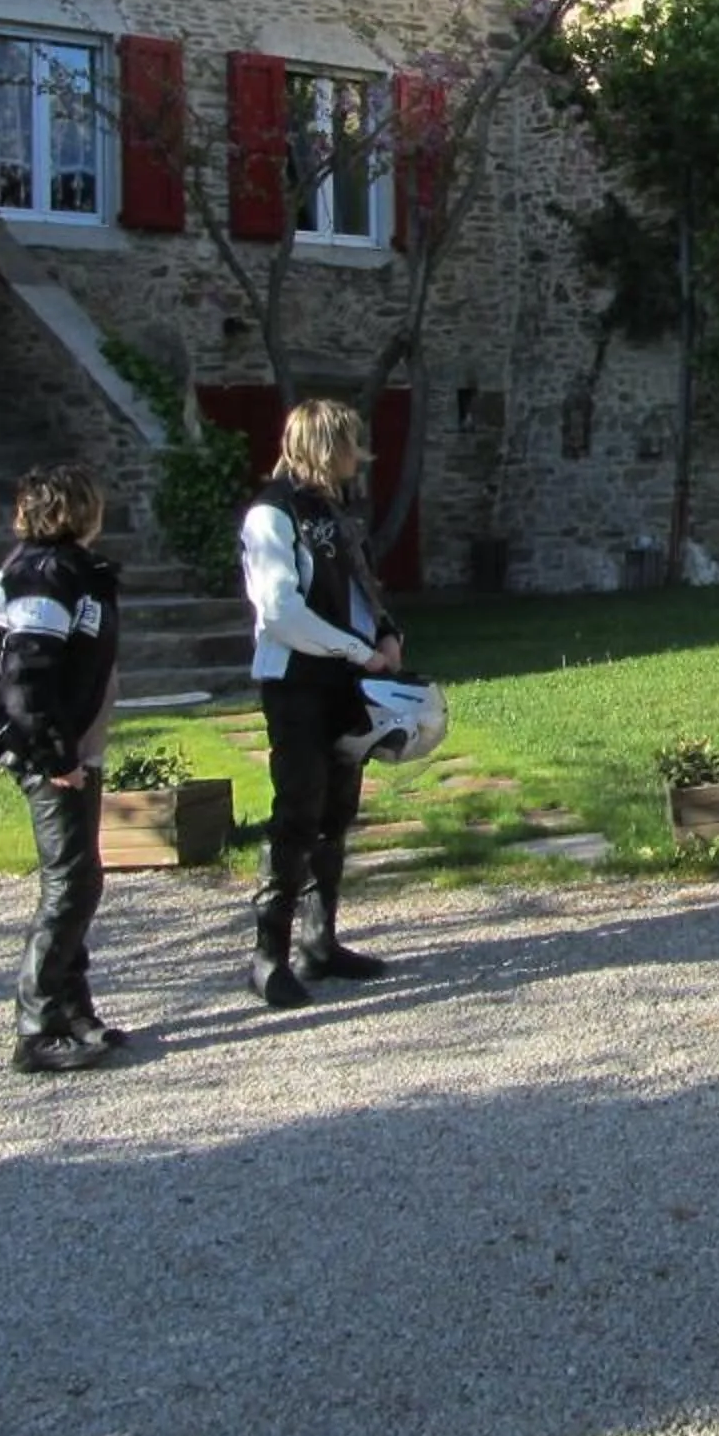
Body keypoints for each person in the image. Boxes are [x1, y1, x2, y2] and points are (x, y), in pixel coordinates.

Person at [239, 397, 403, 1007]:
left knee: (337, 809)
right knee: (297, 811)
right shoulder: (271, 514)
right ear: (326, 447)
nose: (359, 456)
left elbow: (360, 586)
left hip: (343, 680)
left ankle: (319, 942)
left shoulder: (335, 511)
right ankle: (268, 956)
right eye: (349, 444)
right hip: (296, 681)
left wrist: (385, 632)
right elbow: (280, 612)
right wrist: (355, 650)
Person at [0, 463, 126, 1074]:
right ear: (79, 510)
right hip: (53, 752)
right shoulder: (43, 574)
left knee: (80, 879)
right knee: (70, 884)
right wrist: (55, 755)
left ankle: (74, 1008)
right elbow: (27, 673)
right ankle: (37, 1027)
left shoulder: (67, 570)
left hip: (74, 745)